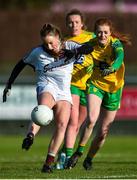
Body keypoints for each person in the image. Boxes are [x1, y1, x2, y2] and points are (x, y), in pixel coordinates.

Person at [2, 23, 93, 173]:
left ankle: (48, 164)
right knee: (43, 110)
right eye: (46, 43)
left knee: (62, 125)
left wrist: (75, 51)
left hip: (64, 91)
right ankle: (30, 135)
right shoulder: (37, 52)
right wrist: (9, 84)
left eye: (51, 42)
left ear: (58, 37)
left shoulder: (69, 45)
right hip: (47, 85)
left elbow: (90, 47)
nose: (49, 47)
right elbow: (20, 64)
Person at [67, 17, 131, 170]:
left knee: (103, 132)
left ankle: (89, 159)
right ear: (95, 33)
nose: (102, 35)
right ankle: (78, 152)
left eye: (105, 33)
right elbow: (76, 51)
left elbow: (119, 58)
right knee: (91, 120)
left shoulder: (115, 44)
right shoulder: (91, 45)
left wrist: (111, 69)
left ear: (110, 33)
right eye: (99, 32)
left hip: (114, 89)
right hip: (95, 85)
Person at [56, 9, 95, 169]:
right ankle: (67, 159)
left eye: (76, 22)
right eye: (70, 22)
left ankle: (64, 152)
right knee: (72, 122)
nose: (74, 25)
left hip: (90, 86)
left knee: (78, 124)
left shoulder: (92, 37)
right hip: (72, 85)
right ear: (67, 24)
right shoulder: (64, 42)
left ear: (82, 23)